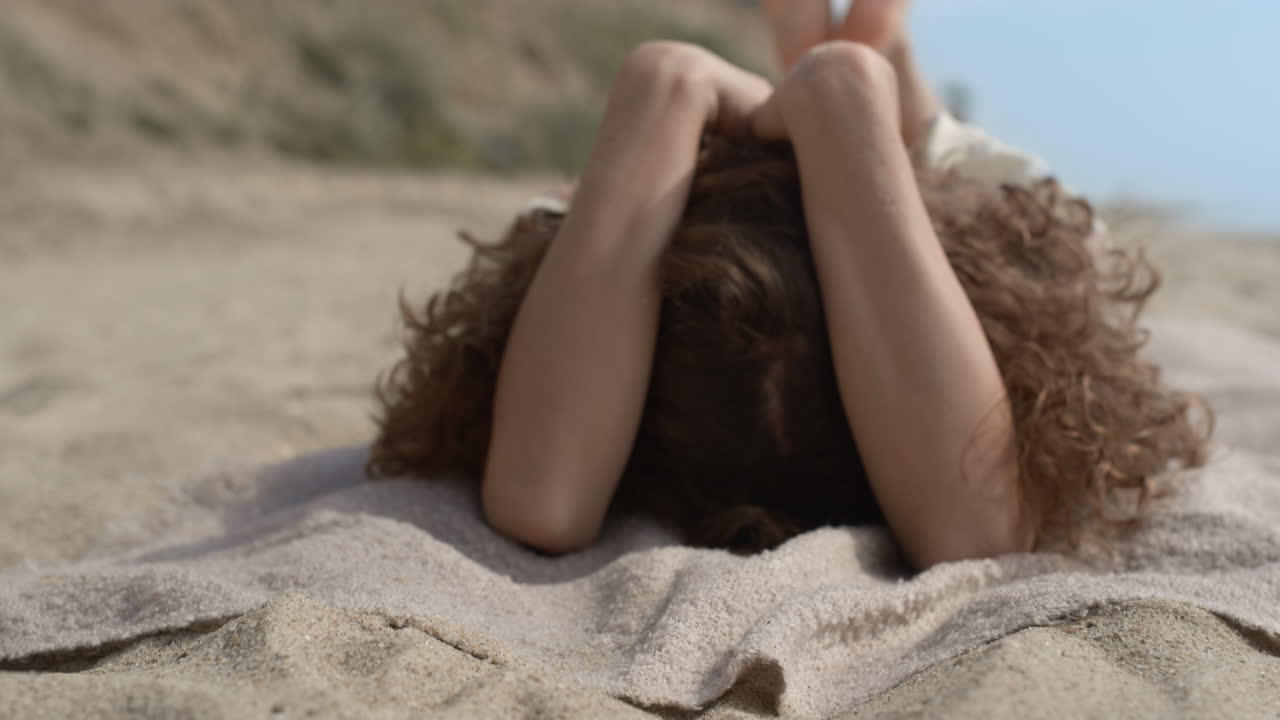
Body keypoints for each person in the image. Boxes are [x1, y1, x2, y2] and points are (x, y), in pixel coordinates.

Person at [367, 1, 1212, 570]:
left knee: (969, 182)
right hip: (880, 239)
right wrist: (843, 92)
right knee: (994, 197)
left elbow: (541, 500)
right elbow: (975, 533)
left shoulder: (581, 270)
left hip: (719, 228)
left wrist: (669, 84)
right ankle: (881, 69)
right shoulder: (988, 269)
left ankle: (867, 77)